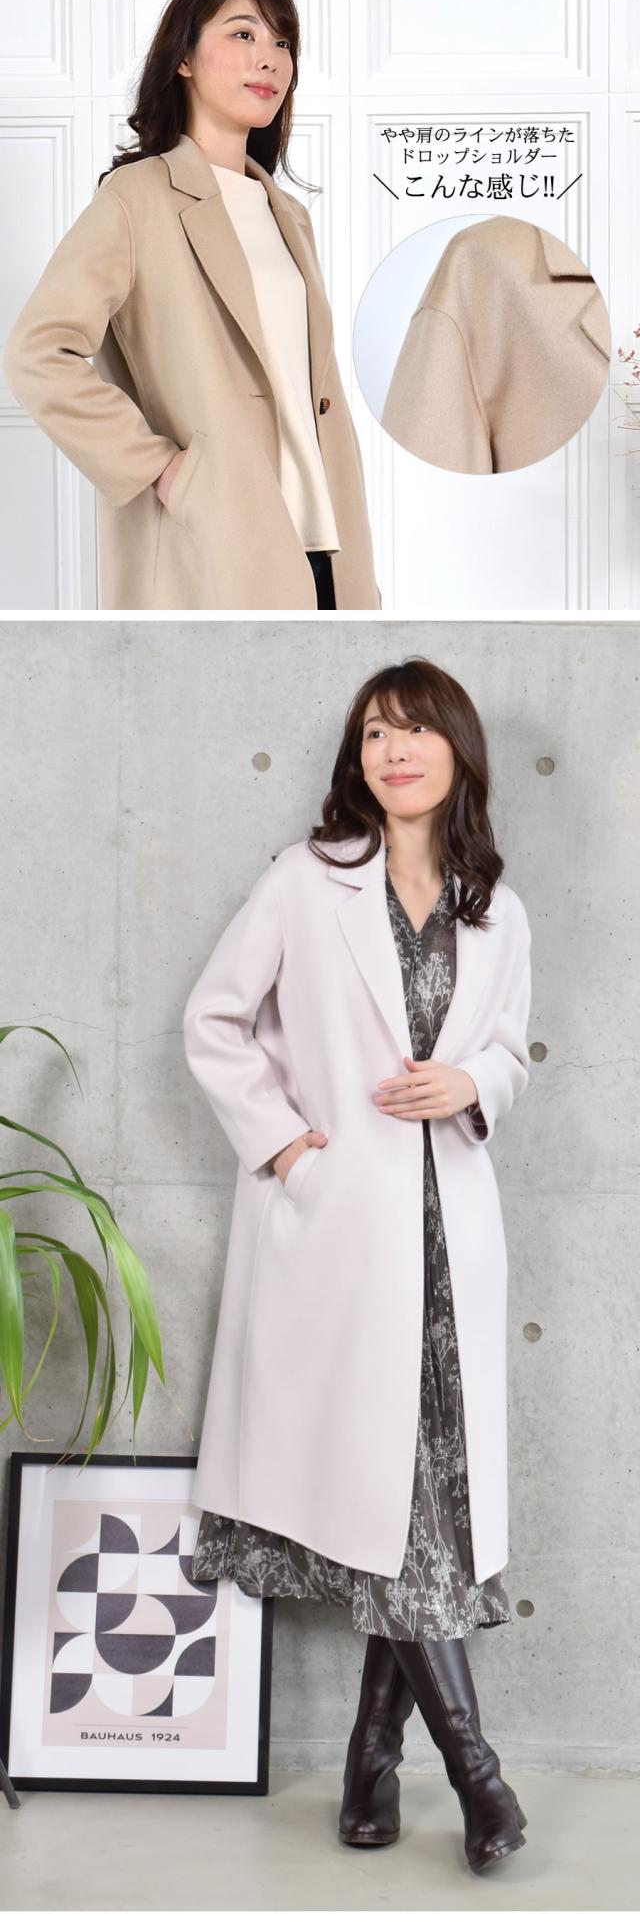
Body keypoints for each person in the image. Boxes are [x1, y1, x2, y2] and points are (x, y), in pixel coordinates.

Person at [182, 655, 532, 1874]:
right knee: (402, 1509)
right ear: (358, 757)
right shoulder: (305, 878)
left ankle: (372, 1762)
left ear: (456, 751)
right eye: (376, 732)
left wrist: (471, 1081)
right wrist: (284, 1144)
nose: (394, 750)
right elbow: (212, 1021)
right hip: (337, 1238)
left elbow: (510, 1051)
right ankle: (480, 1781)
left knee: (415, 1508)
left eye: (416, 731)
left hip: (449, 1246)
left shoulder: (494, 904)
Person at [3, 0, 379, 614]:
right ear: (183, 58)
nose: (270, 59)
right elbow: (38, 353)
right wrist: (160, 469)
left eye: (283, 43)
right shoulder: (137, 197)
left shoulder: (288, 215)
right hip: (216, 543)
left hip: (327, 544)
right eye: (243, 34)